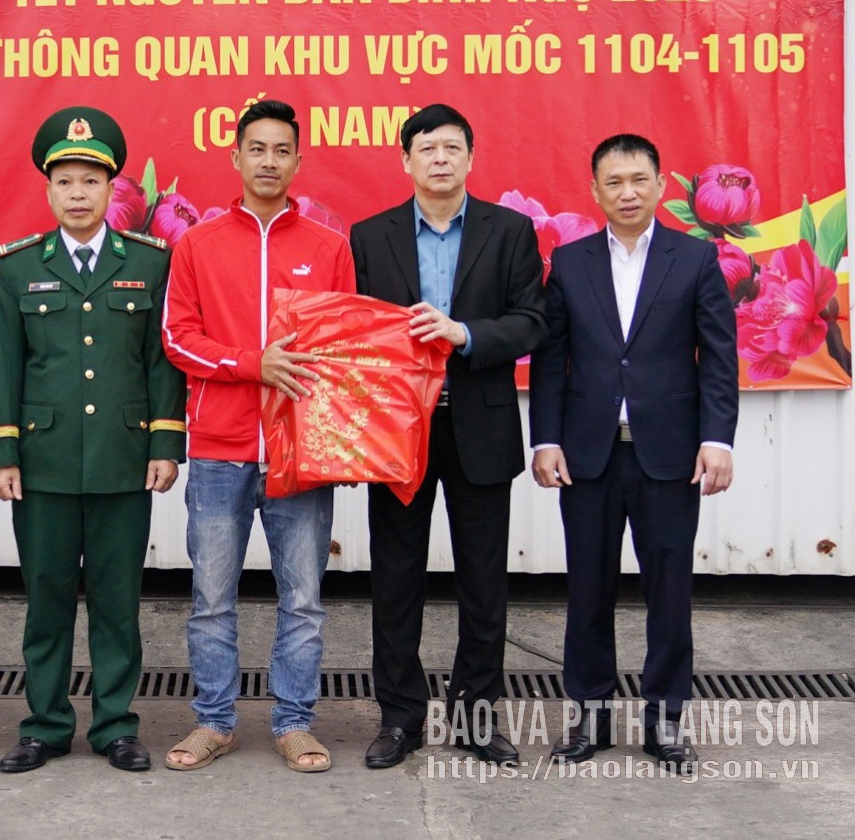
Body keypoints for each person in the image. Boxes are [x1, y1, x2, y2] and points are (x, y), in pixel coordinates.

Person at [529, 133, 737, 773]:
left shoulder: (695, 258)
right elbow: (551, 360)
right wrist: (546, 439)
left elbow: (718, 357)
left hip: (669, 454)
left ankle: (665, 721)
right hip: (587, 456)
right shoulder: (570, 262)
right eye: (614, 182)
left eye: (639, 180)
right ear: (595, 190)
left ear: (660, 185)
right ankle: (588, 717)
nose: (627, 193)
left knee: (669, 592)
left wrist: (717, 439)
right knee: (587, 590)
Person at [0, 107, 186, 774]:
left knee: (116, 602)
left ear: (112, 189)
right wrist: (4, 453)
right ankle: (44, 725)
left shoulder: (150, 262)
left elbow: (160, 362)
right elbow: (6, 366)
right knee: (45, 603)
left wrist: (165, 444)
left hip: (122, 460)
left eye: (91, 181)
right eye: (66, 181)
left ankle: (115, 725)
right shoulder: (19, 267)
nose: (78, 194)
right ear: (48, 190)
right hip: (41, 464)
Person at [161, 98, 355, 774]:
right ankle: (213, 721)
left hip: (299, 454)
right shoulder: (198, 243)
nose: (269, 161)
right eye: (257, 149)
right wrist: (252, 364)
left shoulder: (329, 247)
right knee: (211, 600)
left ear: (298, 161)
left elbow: (342, 352)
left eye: (282, 150)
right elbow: (177, 338)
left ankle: (294, 722)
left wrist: (337, 445)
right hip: (220, 449)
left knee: (302, 600)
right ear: (236, 156)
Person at [349, 103, 546, 769]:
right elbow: (353, 333)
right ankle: (399, 718)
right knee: (395, 579)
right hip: (396, 431)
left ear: (470, 158)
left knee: (484, 583)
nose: (439, 158)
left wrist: (465, 334)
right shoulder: (369, 236)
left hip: (479, 425)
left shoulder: (509, 230)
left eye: (452, 147)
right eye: (427, 148)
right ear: (405, 160)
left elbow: (532, 320)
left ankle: (475, 717)